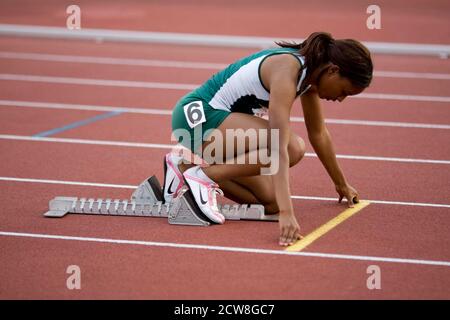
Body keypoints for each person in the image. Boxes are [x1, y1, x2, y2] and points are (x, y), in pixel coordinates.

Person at [162, 31, 373, 246]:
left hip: (221, 131)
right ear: (333, 70)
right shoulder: (287, 69)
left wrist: (341, 184)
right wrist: (287, 213)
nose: (340, 99)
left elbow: (318, 134)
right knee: (293, 148)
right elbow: (277, 146)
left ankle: (185, 167)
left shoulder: (311, 78)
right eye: (344, 91)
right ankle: (202, 176)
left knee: (270, 201)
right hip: (196, 118)